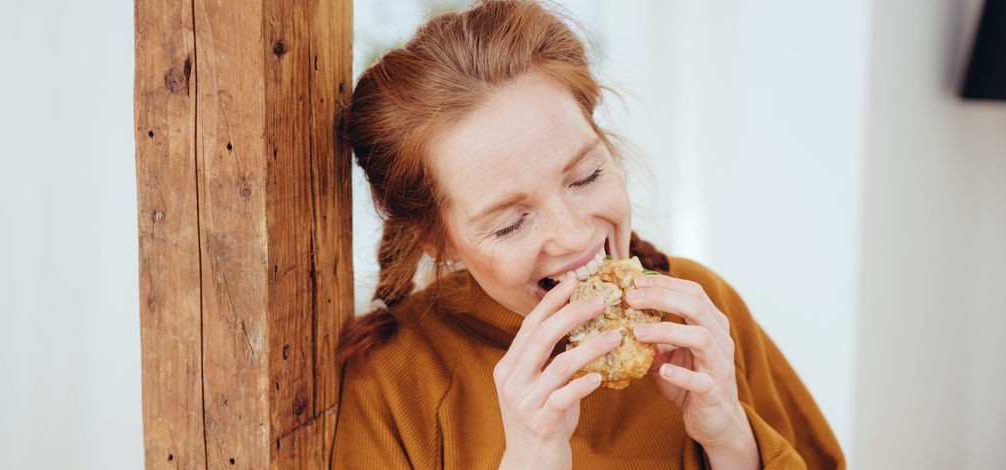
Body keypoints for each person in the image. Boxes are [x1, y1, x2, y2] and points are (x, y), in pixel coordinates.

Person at [330, 1, 844, 468]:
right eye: (511, 222)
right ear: (436, 238)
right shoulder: (392, 381)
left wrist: (732, 441)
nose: (575, 237)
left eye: (586, 177)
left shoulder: (702, 311)